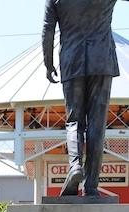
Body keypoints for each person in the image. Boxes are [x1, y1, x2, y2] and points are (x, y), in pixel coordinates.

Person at [42, 0, 123, 196]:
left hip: (72, 59)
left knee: (74, 121)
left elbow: (48, 30)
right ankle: (91, 185)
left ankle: (75, 166)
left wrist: (48, 62)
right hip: (102, 61)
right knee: (97, 124)